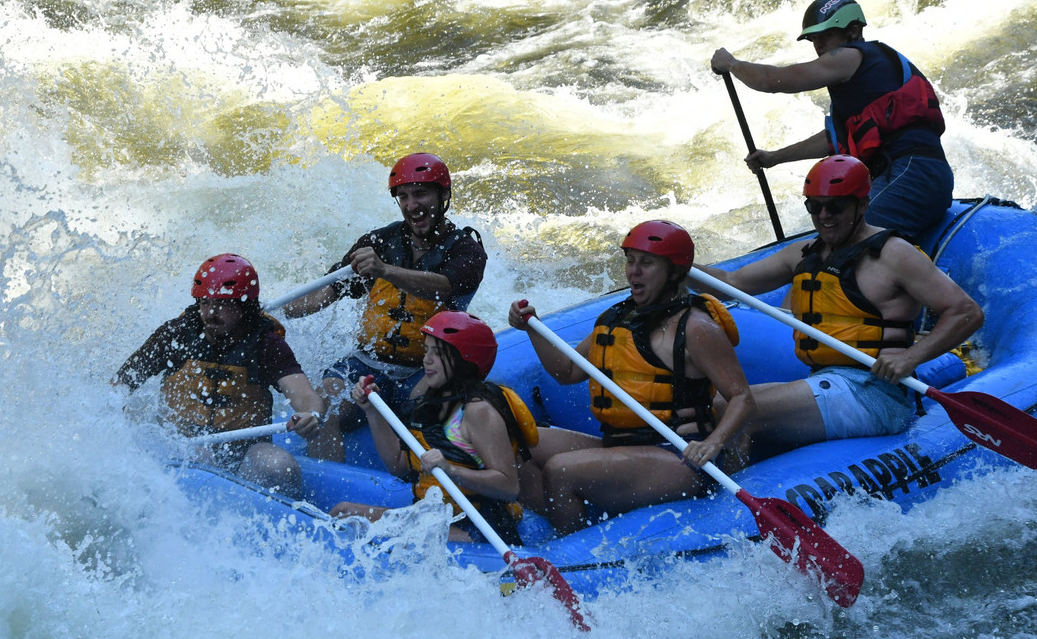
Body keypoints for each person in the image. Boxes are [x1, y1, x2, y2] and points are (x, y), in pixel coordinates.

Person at [694, 155, 984, 458]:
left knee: (738, 412)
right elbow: (732, 282)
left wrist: (912, 357)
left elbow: (967, 312)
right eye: (814, 206)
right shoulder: (804, 253)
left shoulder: (894, 254)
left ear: (862, 204)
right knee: (715, 407)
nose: (824, 216)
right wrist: (676, 263)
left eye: (835, 206)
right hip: (824, 380)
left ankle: (734, 495)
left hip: (875, 394)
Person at [507, 220, 756, 536]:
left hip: (679, 458)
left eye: (647, 263)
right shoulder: (617, 319)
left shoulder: (695, 328)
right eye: (630, 260)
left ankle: (570, 547)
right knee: (515, 440)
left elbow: (742, 398)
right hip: (618, 446)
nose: (633, 271)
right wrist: (531, 327)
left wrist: (713, 442)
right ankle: (578, 517)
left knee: (561, 470)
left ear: (675, 271)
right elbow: (567, 372)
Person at [284, 153, 487, 462]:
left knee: (427, 417)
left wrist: (384, 270)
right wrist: (278, 311)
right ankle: (329, 486)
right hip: (367, 362)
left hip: (428, 369)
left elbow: (444, 285)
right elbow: (329, 290)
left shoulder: (467, 250)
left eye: (420, 194)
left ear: (443, 195)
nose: (411, 205)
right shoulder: (381, 241)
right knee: (321, 406)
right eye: (403, 197)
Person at [711, 0, 953, 243]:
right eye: (813, 38)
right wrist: (774, 158)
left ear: (853, 31)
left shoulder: (853, 56)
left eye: (826, 35)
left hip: (912, 175)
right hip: (917, 176)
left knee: (847, 241)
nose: (818, 45)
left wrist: (731, 64)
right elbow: (835, 139)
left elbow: (772, 81)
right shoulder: (864, 80)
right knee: (836, 237)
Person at [114, 253, 326, 499]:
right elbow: (120, 385)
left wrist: (311, 415)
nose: (211, 313)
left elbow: (305, 395)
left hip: (245, 447)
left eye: (223, 304)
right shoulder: (175, 335)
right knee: (202, 456)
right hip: (181, 443)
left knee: (281, 467)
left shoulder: (265, 344)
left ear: (244, 307)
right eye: (205, 303)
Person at [331, 311, 537, 544]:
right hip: (434, 516)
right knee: (342, 513)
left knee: (355, 527)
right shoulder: (431, 401)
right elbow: (398, 464)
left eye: (437, 353)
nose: (426, 359)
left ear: (464, 360)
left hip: (480, 527)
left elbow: (508, 487)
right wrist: (372, 410)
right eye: (426, 350)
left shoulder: (478, 411)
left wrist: (450, 470)